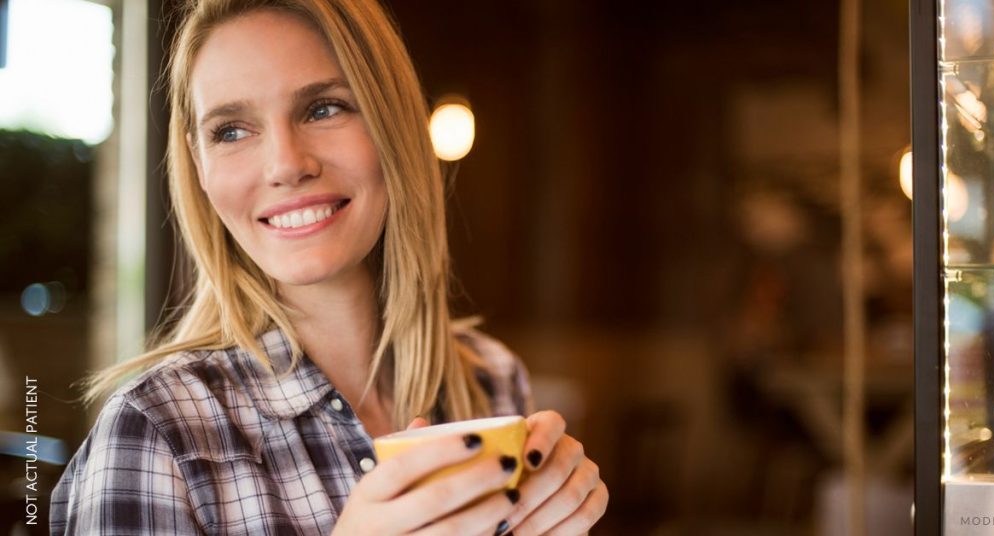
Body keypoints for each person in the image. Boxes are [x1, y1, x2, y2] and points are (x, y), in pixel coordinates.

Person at [49, 0, 608, 534]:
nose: (287, 165)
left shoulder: (491, 381)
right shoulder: (157, 429)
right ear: (199, 166)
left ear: (393, 126)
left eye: (324, 108)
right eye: (232, 130)